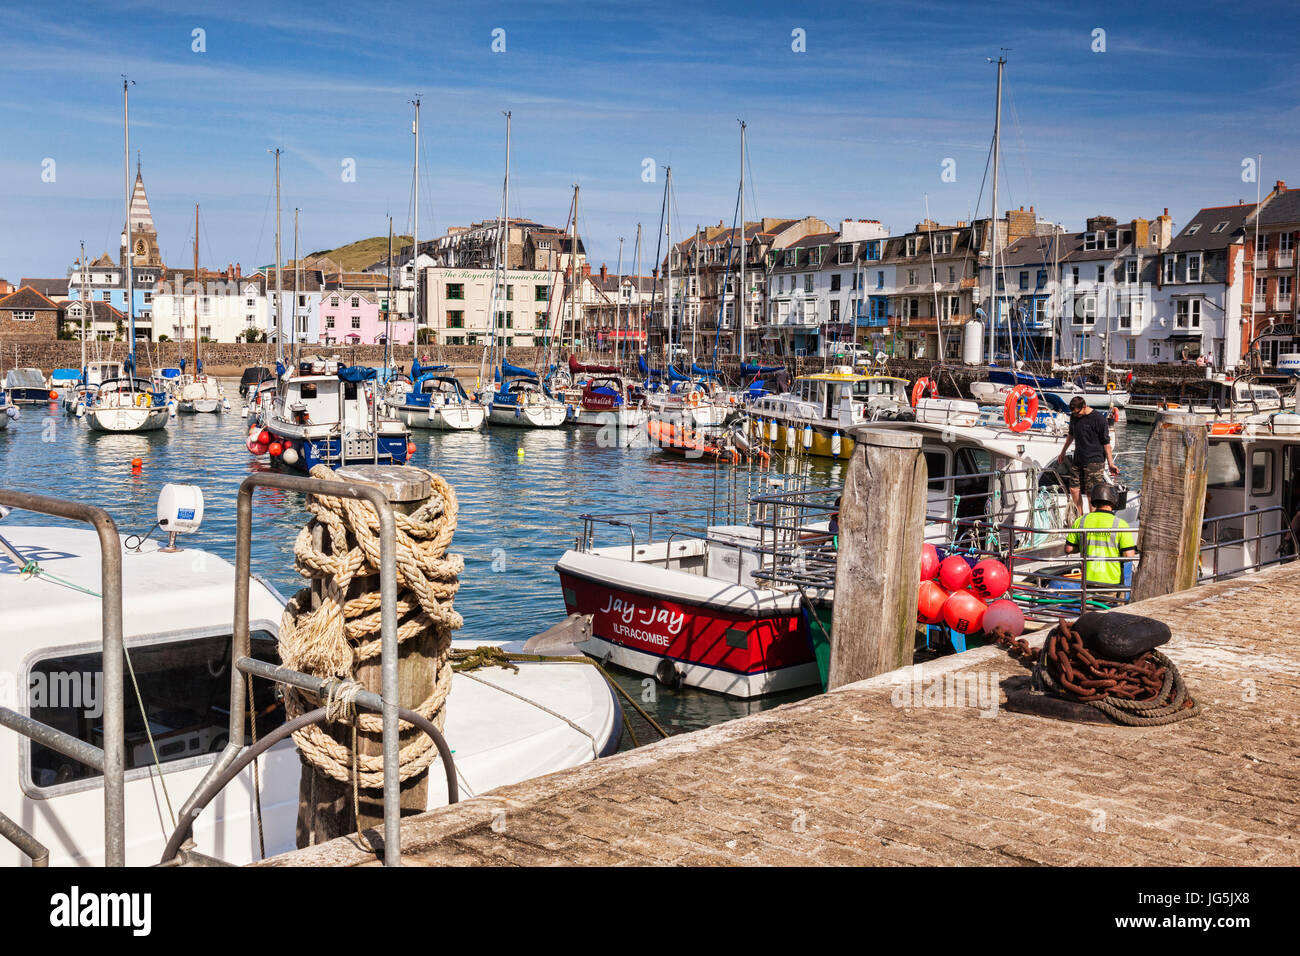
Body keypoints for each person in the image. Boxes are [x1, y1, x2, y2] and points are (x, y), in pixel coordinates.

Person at [1065, 483, 1137, 588]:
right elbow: (1129, 556)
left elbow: (1068, 549)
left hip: (1087, 582)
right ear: (1114, 500)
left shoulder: (1080, 521)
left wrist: (1083, 547)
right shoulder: (1120, 524)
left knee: (1088, 604)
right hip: (1111, 583)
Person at [1057, 396, 1120, 514]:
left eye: (1078, 413)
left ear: (1084, 407)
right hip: (1078, 459)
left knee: (1091, 492)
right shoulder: (1074, 417)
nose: (1076, 415)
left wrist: (1111, 463)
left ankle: (1091, 520)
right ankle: (1079, 517)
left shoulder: (1099, 419)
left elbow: (1106, 443)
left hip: (1095, 461)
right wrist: (1063, 452)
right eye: (1073, 413)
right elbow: (1071, 435)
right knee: (1073, 488)